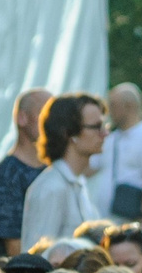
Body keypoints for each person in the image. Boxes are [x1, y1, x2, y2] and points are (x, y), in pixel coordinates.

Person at [18, 91, 104, 251]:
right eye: (96, 127)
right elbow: (36, 256)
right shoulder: (51, 188)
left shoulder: (80, 183)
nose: (105, 134)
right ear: (69, 133)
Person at [0, 87, 50, 258]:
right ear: (22, 118)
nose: (51, 122)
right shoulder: (6, 174)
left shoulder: (51, 171)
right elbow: (13, 248)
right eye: (44, 113)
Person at [96, 83, 142, 232]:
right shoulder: (110, 137)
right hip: (107, 220)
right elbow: (90, 168)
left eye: (113, 105)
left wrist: (141, 218)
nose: (109, 111)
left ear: (129, 106)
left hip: (132, 221)